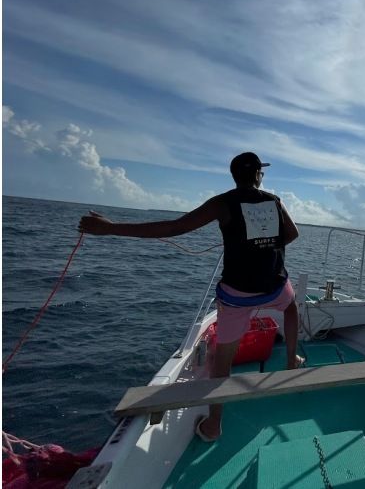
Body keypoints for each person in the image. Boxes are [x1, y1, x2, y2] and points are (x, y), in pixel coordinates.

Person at [78, 152, 301, 442]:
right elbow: (293, 234)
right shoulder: (274, 201)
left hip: (238, 295)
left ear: (235, 176)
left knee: (222, 361)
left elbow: (174, 227)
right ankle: (291, 359)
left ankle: (213, 424)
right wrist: (262, 246)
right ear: (259, 174)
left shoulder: (222, 203)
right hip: (274, 286)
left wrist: (110, 229)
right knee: (292, 307)